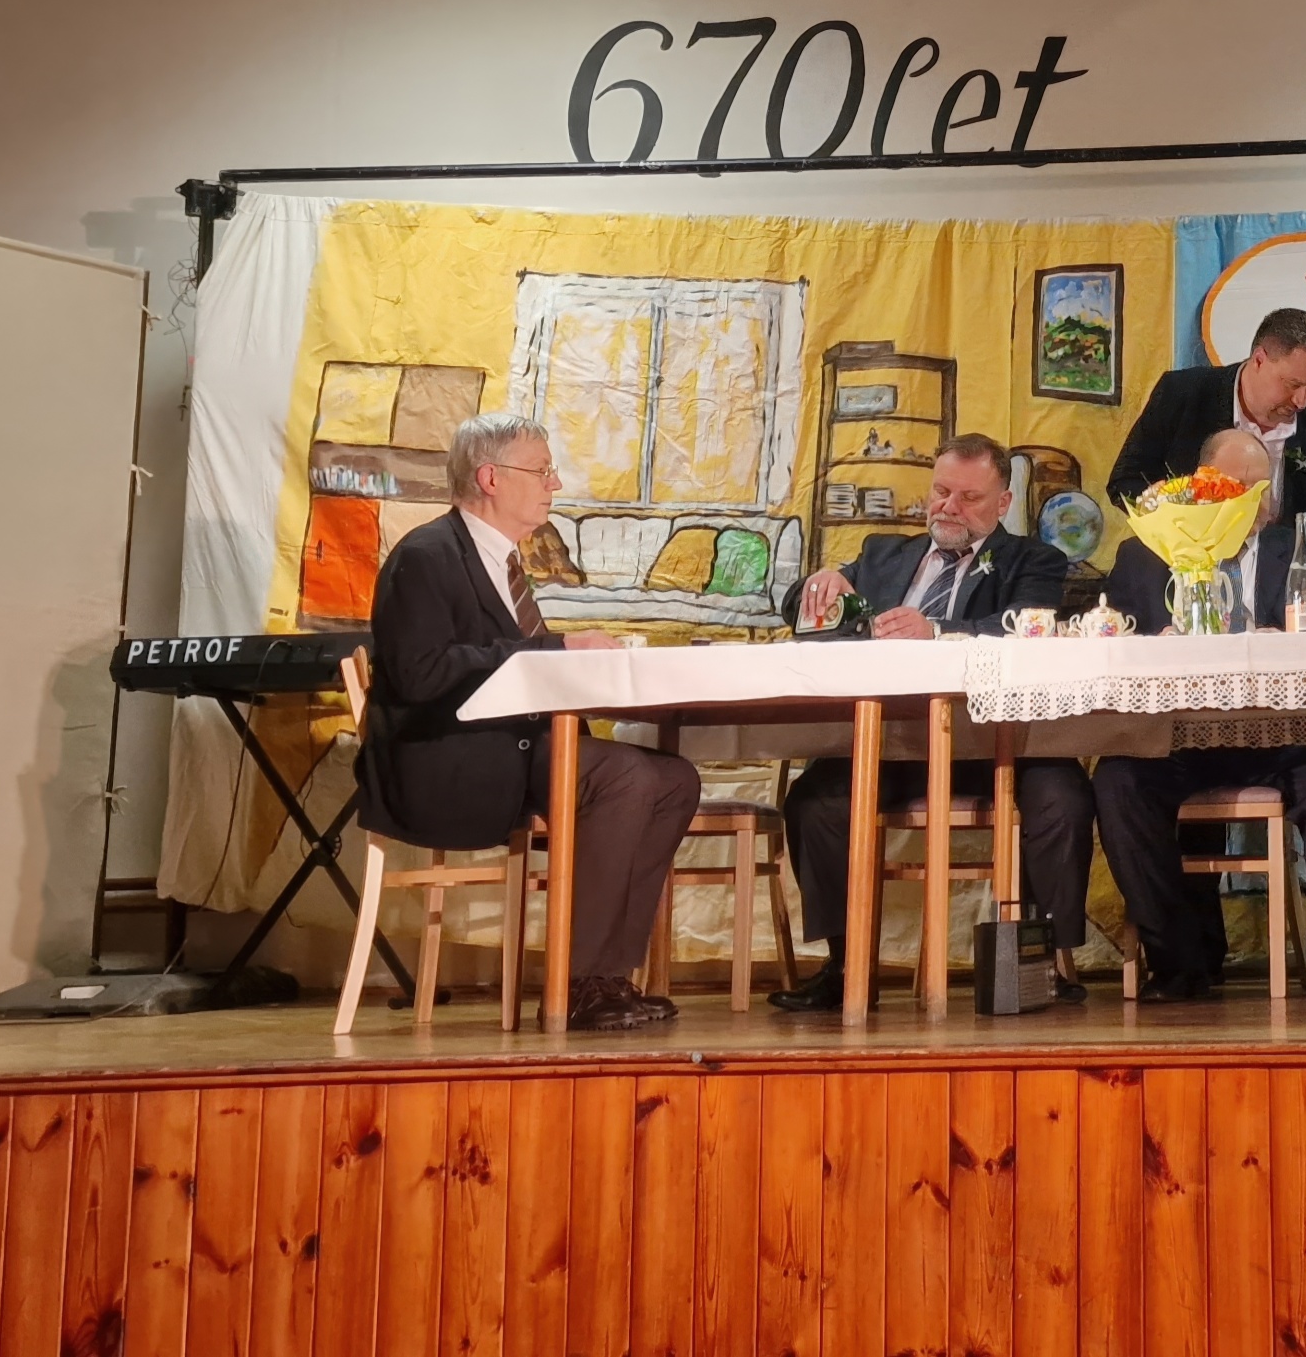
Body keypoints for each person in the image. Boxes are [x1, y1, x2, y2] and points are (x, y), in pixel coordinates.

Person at [361, 413, 704, 1033]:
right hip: (450, 758)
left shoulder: (504, 562)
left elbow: (513, 663)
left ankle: (607, 975)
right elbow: (419, 673)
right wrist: (556, 649)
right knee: (624, 775)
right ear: (490, 478)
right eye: (542, 470)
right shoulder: (426, 557)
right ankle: (576, 981)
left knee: (675, 778)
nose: (555, 483)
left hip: (511, 746)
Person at [768, 433, 1094, 1012]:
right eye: (942, 492)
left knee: (1063, 799)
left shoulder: (1033, 559)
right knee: (815, 802)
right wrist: (821, 584)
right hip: (894, 743)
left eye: (969, 497)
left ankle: (1039, 961)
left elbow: (1028, 623)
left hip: (1001, 743)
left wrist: (938, 632)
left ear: (1002, 502)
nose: (949, 507)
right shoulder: (881, 554)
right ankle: (847, 967)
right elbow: (799, 609)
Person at [1092, 427, 1306, 1000]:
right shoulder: (1144, 555)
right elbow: (1114, 643)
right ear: (1203, 487)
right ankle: (1178, 963)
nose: (1255, 499)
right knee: (1117, 781)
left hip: (1284, 737)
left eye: (1263, 486)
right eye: (1237, 486)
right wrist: (1155, 643)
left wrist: (1288, 644)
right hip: (1179, 740)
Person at [1106, 306, 1306, 540]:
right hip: (1186, 561)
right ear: (1258, 360)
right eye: (1292, 385)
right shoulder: (1182, 395)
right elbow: (1125, 482)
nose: (1301, 401)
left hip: (1281, 569)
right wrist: (1169, 515)